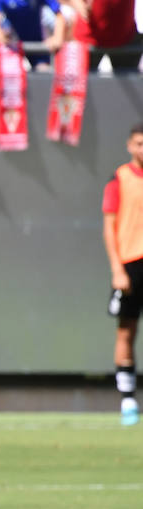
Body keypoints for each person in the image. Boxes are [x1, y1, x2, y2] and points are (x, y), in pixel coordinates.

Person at [101, 122, 143, 425]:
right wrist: (117, 269)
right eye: (139, 143)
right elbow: (109, 227)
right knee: (126, 330)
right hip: (131, 262)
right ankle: (127, 399)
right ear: (130, 145)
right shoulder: (119, 179)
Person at [66, 0, 142, 72]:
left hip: (125, 37)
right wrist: (82, 7)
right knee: (84, 82)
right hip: (90, 38)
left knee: (130, 81)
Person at [0, 0, 67, 69]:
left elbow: (59, 16)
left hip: (37, 45)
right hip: (12, 47)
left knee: (43, 74)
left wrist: (57, 37)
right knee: (10, 76)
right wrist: (1, 36)